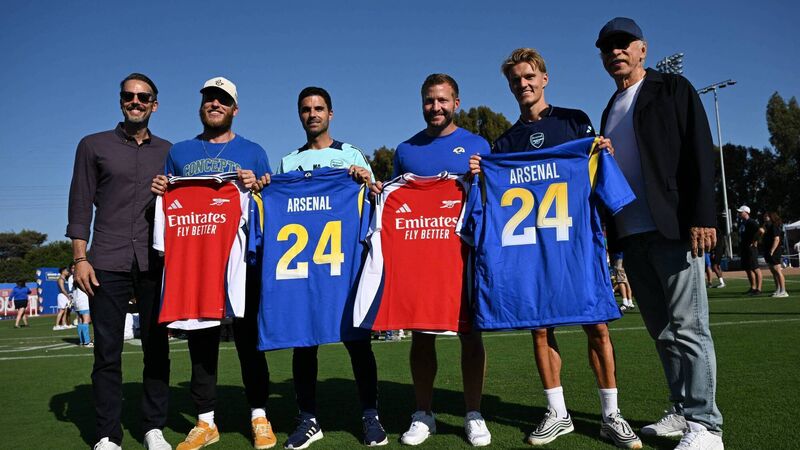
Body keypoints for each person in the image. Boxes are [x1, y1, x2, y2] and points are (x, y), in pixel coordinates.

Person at [469, 48, 640, 449]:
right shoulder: (504, 143)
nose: (523, 84)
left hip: (575, 245)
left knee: (596, 325)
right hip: (530, 251)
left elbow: (596, 175)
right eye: (515, 80)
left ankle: (611, 414)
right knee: (540, 327)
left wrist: (602, 154)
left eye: (529, 76)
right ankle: (557, 412)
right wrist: (481, 174)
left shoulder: (574, 122)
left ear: (544, 79)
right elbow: (492, 199)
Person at [596, 17, 724, 450]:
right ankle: (682, 409)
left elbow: (698, 150)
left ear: (642, 49)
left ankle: (707, 426)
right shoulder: (610, 107)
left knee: (689, 328)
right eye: (607, 47)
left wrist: (703, 215)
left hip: (673, 228)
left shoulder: (672, 88)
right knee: (663, 332)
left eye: (623, 44)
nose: (615, 52)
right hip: (632, 235)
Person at [151, 76, 276, 450]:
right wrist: (161, 189)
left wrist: (258, 186)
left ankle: (259, 415)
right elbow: (168, 201)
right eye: (209, 98)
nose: (215, 104)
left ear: (235, 109)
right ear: (201, 105)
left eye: (222, 100)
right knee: (200, 342)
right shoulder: (180, 152)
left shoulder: (254, 151)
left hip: (242, 260)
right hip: (197, 261)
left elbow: (268, 204)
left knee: (249, 342)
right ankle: (206, 421)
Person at [371, 74, 492, 447]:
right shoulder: (407, 150)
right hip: (421, 256)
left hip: (463, 255)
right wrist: (378, 191)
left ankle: (473, 413)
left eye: (442, 100)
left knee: (470, 334)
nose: (435, 107)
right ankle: (423, 413)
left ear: (456, 103)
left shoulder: (478, 145)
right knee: (422, 335)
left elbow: (494, 197)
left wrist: (483, 176)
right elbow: (395, 202)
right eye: (429, 100)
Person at [274, 86, 386, 449]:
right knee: (303, 343)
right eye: (306, 109)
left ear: (330, 114)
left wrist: (367, 182)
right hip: (303, 269)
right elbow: (279, 208)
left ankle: (370, 415)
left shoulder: (351, 154)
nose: (312, 114)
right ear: (299, 115)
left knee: (358, 341)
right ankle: (308, 419)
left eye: (319, 108)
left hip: (344, 264)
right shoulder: (288, 162)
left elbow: (375, 202)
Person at [67, 73, 172, 450]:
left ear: (154, 104)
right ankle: (107, 434)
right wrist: (80, 257)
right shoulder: (92, 145)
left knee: (157, 350)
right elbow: (80, 204)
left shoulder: (170, 152)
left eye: (143, 97)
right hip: (106, 260)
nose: (136, 102)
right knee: (107, 353)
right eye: (129, 96)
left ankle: (153, 428)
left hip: (155, 263)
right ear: (121, 100)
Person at [761, 211, 788, 297]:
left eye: (767, 216)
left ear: (771, 217)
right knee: (773, 271)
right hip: (768, 251)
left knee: (777, 270)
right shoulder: (766, 227)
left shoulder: (774, 226)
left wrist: (772, 250)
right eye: (764, 216)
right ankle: (778, 289)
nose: (765, 217)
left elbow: (777, 239)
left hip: (774, 251)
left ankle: (783, 291)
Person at [737, 205, 762, 295]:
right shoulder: (742, 223)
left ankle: (758, 289)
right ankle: (753, 287)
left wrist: (755, 241)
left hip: (751, 249)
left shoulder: (751, 222)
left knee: (755, 268)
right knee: (748, 268)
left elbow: (761, 231)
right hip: (744, 248)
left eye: (741, 212)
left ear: (746, 212)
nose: (739, 213)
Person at [54, 266, 72, 330]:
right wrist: (68, 296)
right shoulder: (60, 279)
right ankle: (56, 325)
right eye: (66, 271)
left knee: (65, 311)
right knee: (62, 310)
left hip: (65, 296)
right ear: (63, 271)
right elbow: (62, 289)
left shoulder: (65, 279)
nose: (68, 272)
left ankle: (64, 324)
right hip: (62, 296)